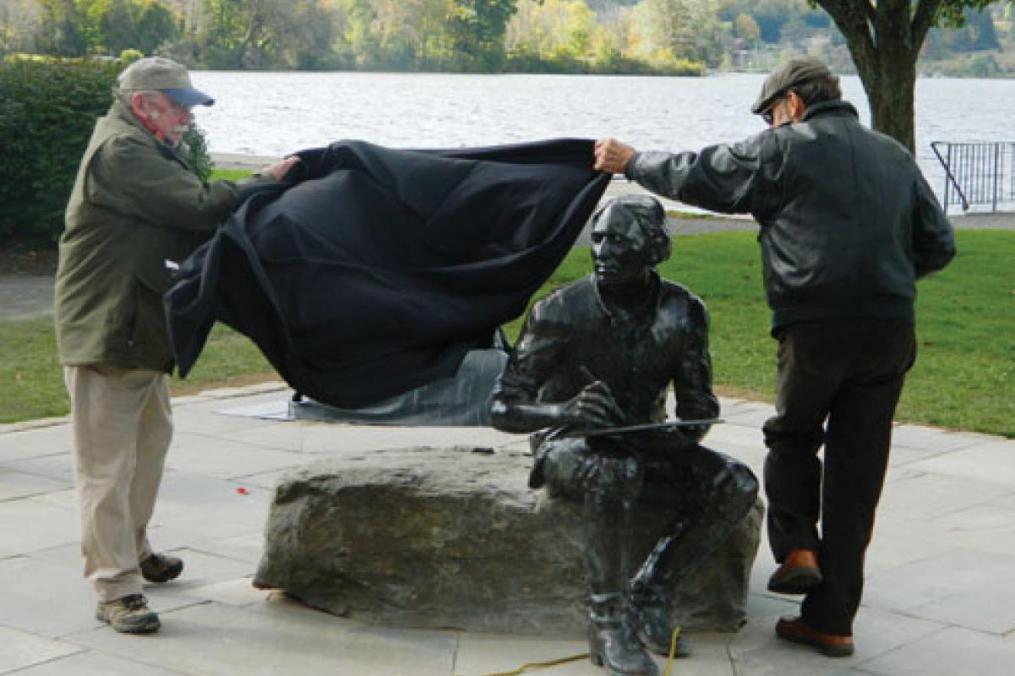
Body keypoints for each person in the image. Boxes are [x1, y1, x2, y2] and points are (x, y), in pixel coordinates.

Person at [593, 56, 956, 657]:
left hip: (814, 324)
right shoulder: (893, 154)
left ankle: (797, 549)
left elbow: (701, 174)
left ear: (790, 104)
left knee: (792, 436)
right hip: (890, 327)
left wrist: (631, 162)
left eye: (768, 114)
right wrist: (886, 275)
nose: (767, 125)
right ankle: (833, 620)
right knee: (859, 470)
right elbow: (938, 243)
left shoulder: (782, 149)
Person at [54, 56, 297, 634]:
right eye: (181, 106)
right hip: (108, 332)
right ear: (145, 105)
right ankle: (115, 587)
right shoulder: (124, 151)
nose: (189, 117)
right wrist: (263, 182)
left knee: (148, 450)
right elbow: (195, 206)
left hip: (138, 326)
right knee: (106, 470)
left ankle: (133, 549)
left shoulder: (147, 144)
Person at [490, 195, 758, 676]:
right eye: (597, 238)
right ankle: (606, 622)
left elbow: (699, 406)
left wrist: (689, 427)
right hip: (567, 443)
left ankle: (652, 590)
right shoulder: (559, 311)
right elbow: (502, 406)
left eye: (618, 240)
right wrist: (562, 409)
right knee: (616, 469)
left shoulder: (683, 312)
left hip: (646, 437)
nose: (602, 251)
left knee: (736, 481)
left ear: (653, 249)